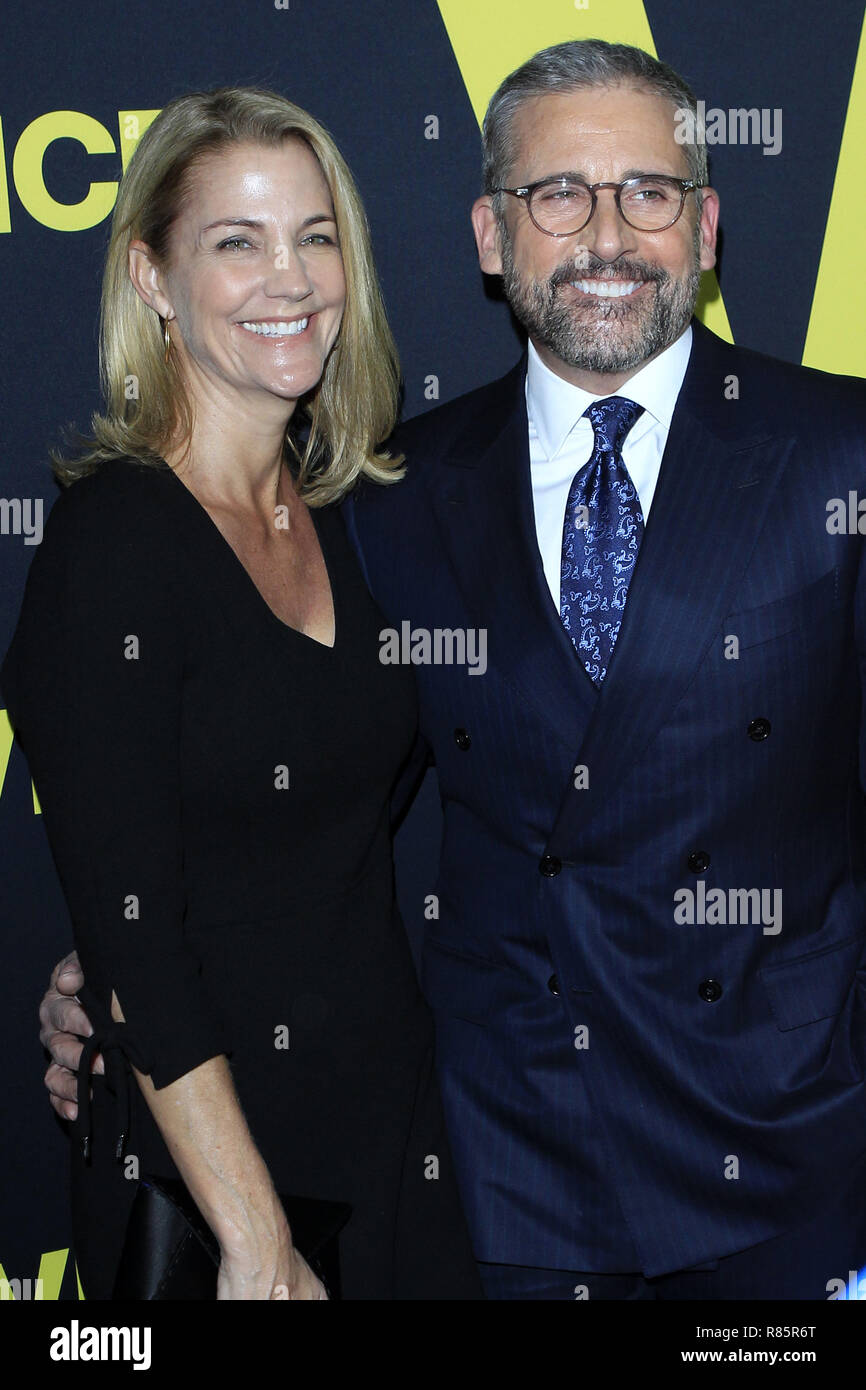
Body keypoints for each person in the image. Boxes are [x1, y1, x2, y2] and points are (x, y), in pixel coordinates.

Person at [41, 38, 866, 1300]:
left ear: (703, 227)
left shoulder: (836, 453)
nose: (604, 235)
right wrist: (118, 975)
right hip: (499, 1173)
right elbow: (278, 811)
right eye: (556, 196)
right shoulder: (394, 493)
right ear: (490, 235)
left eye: (645, 192)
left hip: (787, 1159)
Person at [4, 85, 481, 1301]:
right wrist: (257, 1243)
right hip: (215, 1183)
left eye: (315, 236)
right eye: (238, 241)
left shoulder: (352, 519)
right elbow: (137, 940)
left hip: (393, 1136)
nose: (292, 278)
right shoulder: (112, 544)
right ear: (152, 278)